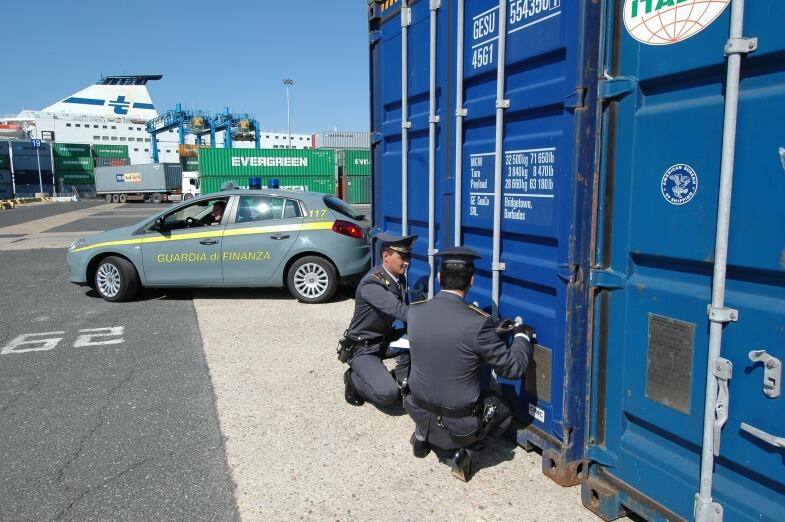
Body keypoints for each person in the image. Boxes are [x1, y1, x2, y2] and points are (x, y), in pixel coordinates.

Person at [403, 246, 535, 481]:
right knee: (503, 411)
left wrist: (489, 331)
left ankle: (422, 437)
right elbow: (513, 369)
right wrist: (522, 337)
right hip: (459, 424)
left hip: (418, 410)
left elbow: (445, 333)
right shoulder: (477, 324)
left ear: (439, 277)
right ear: (471, 281)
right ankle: (466, 453)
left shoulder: (415, 312)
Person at [338, 231, 417, 407]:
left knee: (419, 340)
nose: (407, 262)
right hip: (363, 348)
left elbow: (409, 318)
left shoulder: (398, 278)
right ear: (386, 256)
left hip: (383, 340)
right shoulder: (372, 284)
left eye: (408, 256)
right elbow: (402, 312)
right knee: (387, 394)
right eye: (403, 257)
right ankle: (352, 379)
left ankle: (401, 382)